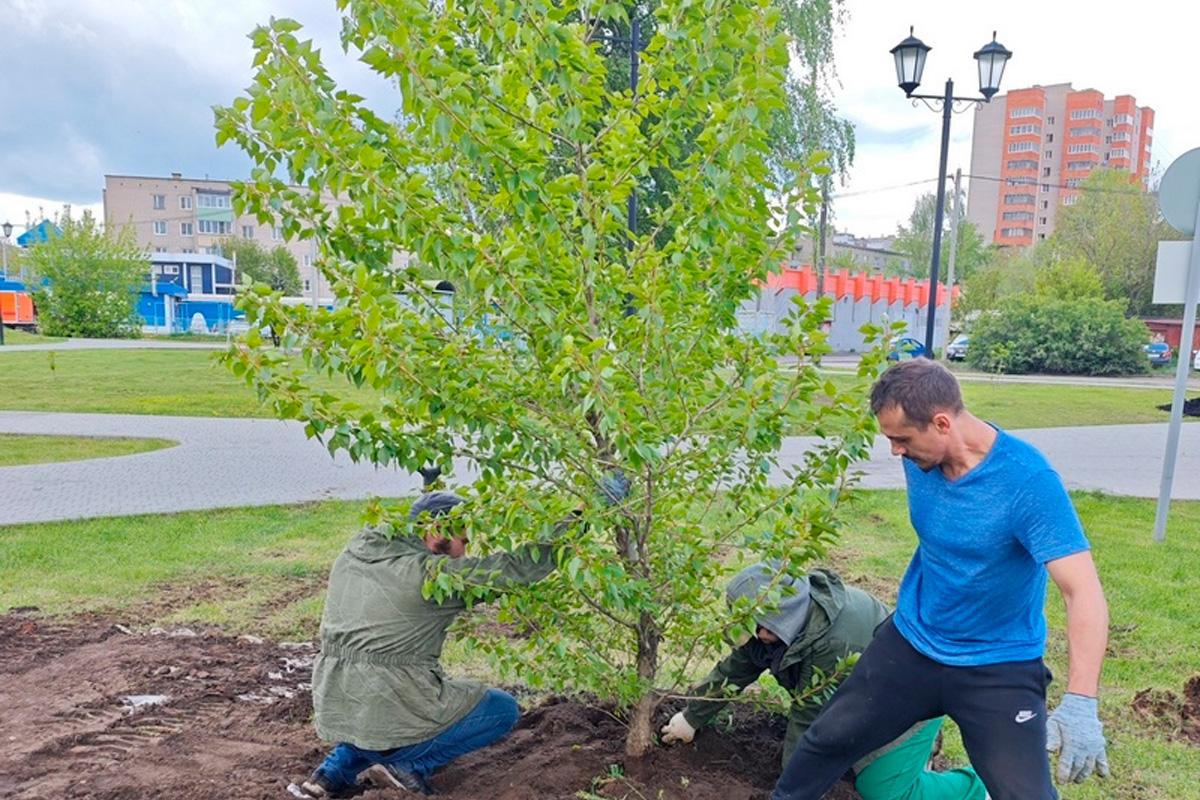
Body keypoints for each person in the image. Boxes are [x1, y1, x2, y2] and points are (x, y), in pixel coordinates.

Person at [771, 359, 1110, 800]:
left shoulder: (1027, 482)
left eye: (902, 439)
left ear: (942, 423)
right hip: (913, 643)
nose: (895, 452)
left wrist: (1082, 701)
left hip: (997, 663)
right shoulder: (923, 459)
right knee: (825, 742)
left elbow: (1082, 591)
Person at [296, 490, 582, 797]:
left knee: (375, 711)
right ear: (437, 531)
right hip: (387, 702)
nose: (464, 554)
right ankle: (410, 766)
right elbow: (517, 568)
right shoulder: (434, 579)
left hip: (334, 701)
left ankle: (331, 773)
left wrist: (431, 490)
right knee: (502, 709)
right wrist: (582, 517)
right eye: (464, 541)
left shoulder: (356, 552)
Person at [661, 563, 987, 800]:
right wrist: (691, 717)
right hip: (859, 698)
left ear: (783, 618)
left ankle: (979, 787)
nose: (756, 634)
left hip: (910, 698)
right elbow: (739, 666)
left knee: (883, 790)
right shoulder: (781, 622)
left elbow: (808, 716)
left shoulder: (834, 642)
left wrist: (793, 791)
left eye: (760, 626)